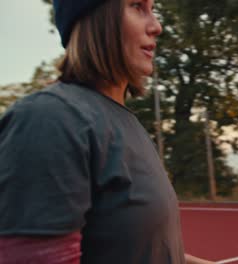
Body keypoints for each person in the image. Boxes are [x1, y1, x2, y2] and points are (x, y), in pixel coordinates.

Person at [0, 0, 215, 263]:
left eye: (153, 8)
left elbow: (140, 252)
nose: (156, 26)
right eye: (137, 6)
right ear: (95, 19)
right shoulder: (51, 118)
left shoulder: (125, 122)